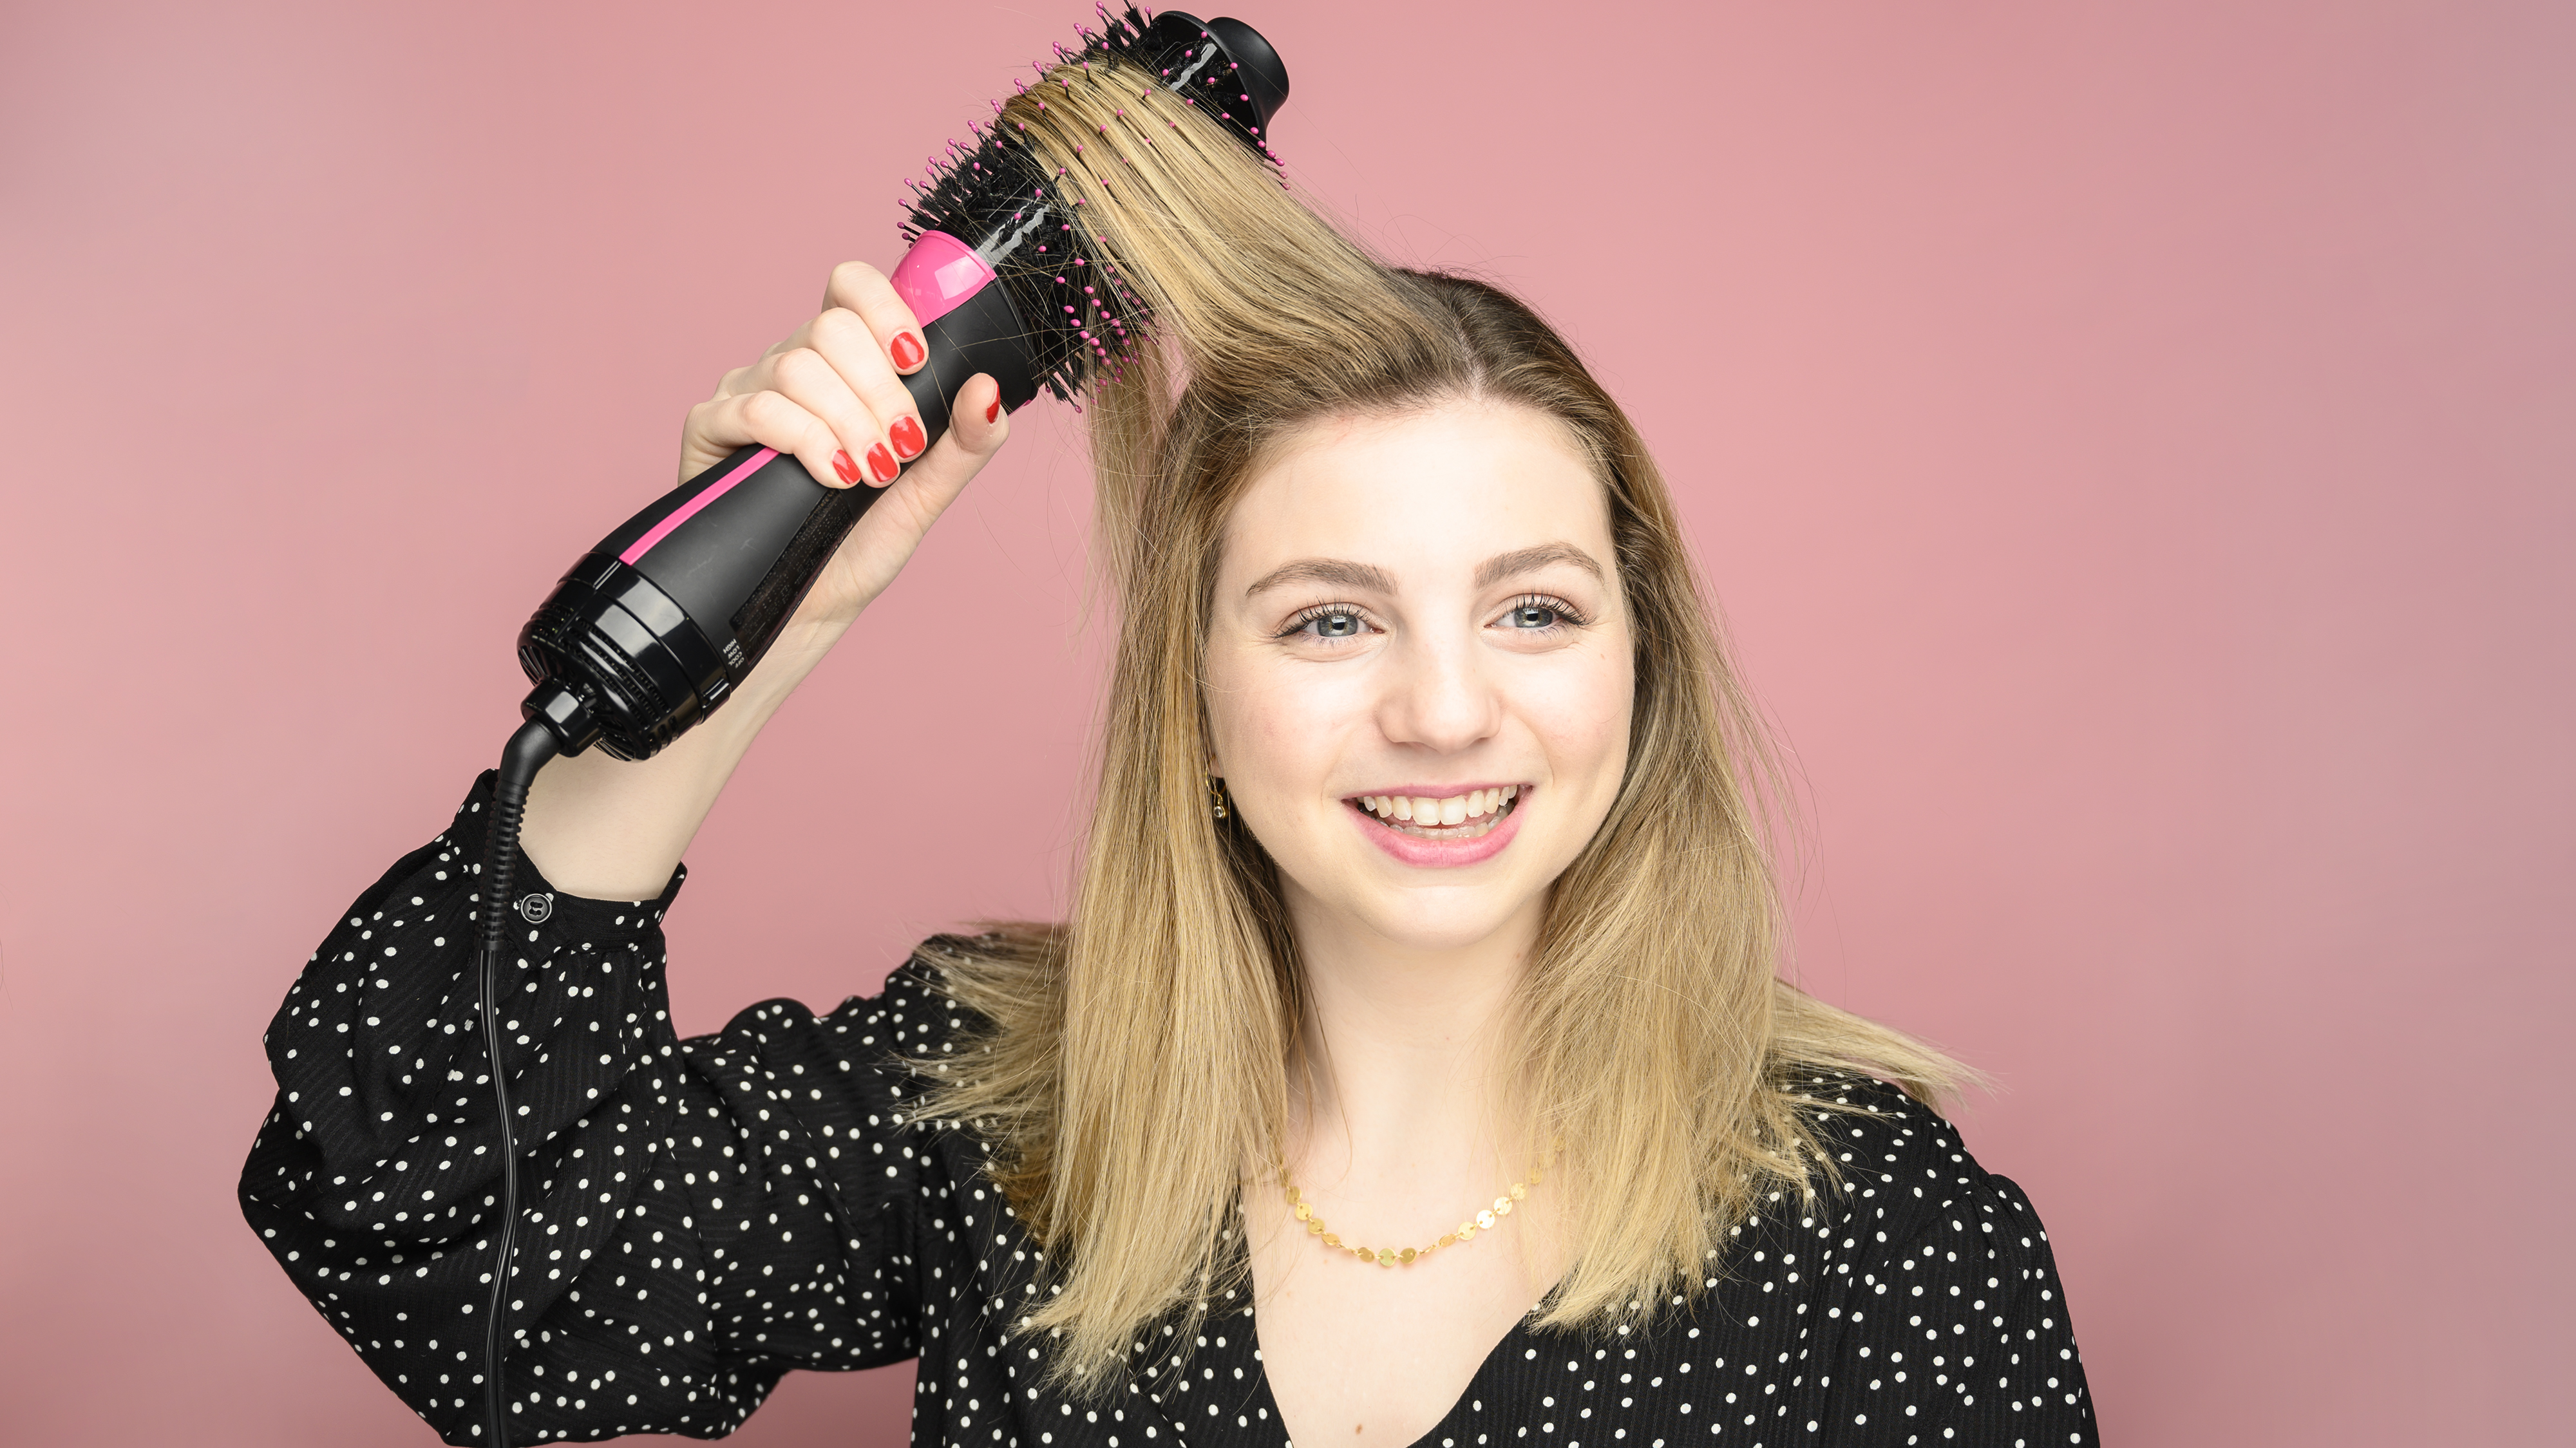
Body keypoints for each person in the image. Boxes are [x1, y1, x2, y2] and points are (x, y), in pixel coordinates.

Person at [243, 252, 2097, 1445]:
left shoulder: (1887, 1243)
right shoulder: (1006, 1115)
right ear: (1192, 697)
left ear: (1643, 665)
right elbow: (433, 1233)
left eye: (1533, 611)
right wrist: (760, 635)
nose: (1445, 712)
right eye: (1327, 621)